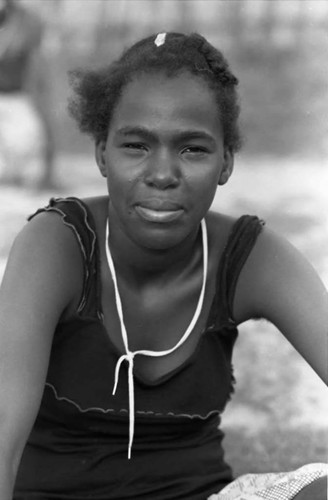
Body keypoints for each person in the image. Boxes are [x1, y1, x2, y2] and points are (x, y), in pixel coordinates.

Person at [0, 32, 326, 500]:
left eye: (193, 149)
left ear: (226, 162)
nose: (162, 174)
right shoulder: (58, 244)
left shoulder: (249, 256)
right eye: (135, 145)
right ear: (102, 155)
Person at [0, 0, 55, 188]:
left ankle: (36, 176)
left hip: (16, 95)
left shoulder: (24, 21)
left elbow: (35, 59)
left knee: (28, 139)